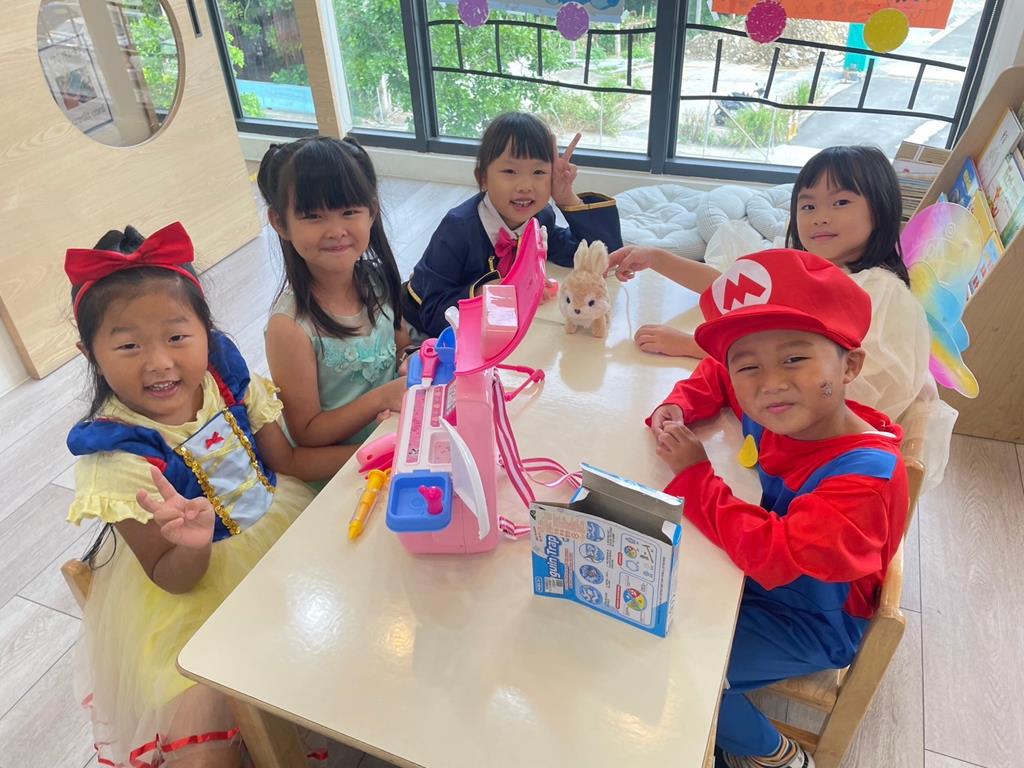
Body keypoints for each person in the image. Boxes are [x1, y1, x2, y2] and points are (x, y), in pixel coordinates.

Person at [64, 222, 345, 767]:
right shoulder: (116, 455)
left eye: (177, 337)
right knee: (203, 716)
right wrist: (192, 543)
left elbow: (286, 463)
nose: (159, 363)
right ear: (89, 353)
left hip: (279, 530)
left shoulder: (225, 376)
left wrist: (375, 451)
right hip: (190, 591)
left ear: (205, 329)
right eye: (128, 346)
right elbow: (171, 576)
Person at [649, 249, 909, 768]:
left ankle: (777, 755)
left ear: (850, 365)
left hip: (812, 618)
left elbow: (773, 553)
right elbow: (718, 375)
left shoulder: (864, 479)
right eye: (750, 366)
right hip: (757, 583)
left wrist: (697, 476)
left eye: (794, 359)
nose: (769, 383)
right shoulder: (791, 407)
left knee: (679, 671)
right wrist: (680, 404)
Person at [401, 112, 623, 338]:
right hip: (421, 330)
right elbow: (431, 312)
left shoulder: (540, 217)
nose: (525, 186)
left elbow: (602, 256)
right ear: (483, 178)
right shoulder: (457, 230)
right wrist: (483, 294)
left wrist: (567, 198)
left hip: (498, 332)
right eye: (509, 171)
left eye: (539, 172)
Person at [260, 136, 409, 449]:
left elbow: (401, 346)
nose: (336, 231)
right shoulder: (290, 328)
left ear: (371, 212)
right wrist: (381, 398)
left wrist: (411, 358)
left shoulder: (377, 282)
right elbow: (307, 432)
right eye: (313, 216)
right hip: (345, 465)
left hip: (395, 435)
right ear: (280, 223)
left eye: (349, 211)